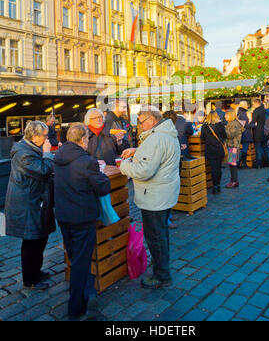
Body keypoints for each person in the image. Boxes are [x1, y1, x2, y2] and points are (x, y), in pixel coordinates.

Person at [54, 123, 111, 320]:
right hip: (82, 217)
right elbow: (103, 187)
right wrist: (102, 175)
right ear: (83, 140)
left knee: (74, 256)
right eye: (87, 138)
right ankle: (76, 307)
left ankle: (88, 291)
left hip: (63, 216)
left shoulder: (58, 157)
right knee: (80, 262)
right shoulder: (87, 161)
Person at [120, 106, 181, 289]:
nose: (139, 125)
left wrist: (124, 166)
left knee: (155, 236)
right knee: (161, 233)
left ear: (152, 120)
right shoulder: (166, 134)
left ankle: (161, 275)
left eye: (141, 121)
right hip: (164, 193)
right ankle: (161, 264)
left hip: (155, 196)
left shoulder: (157, 138)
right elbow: (156, 155)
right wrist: (137, 151)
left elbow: (144, 171)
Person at [5, 121, 55, 290]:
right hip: (28, 204)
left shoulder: (30, 149)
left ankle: (36, 271)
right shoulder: (23, 154)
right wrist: (48, 154)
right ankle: (30, 279)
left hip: (35, 202)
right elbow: (43, 170)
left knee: (40, 238)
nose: (47, 138)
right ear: (34, 137)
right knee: (31, 241)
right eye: (44, 135)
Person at [200, 111, 227, 194]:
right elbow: (225, 136)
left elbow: (202, 137)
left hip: (210, 149)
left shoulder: (205, 126)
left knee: (213, 168)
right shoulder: (220, 125)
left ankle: (215, 186)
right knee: (219, 168)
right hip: (219, 149)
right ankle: (218, 185)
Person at [224, 110, 243, 189]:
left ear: (230, 115)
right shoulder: (231, 123)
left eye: (226, 115)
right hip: (232, 146)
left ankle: (234, 181)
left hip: (234, 146)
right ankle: (233, 181)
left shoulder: (234, 124)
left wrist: (222, 129)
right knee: (231, 164)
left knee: (233, 165)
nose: (225, 116)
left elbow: (230, 135)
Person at [248, 98, 269, 168]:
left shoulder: (256, 111)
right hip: (266, 131)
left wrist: (248, 124)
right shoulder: (265, 110)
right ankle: (268, 162)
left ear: (257, 103)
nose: (253, 105)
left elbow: (253, 121)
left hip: (258, 132)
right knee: (265, 147)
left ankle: (259, 164)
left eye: (253, 104)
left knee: (258, 148)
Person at [237, 101, 253, 169]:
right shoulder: (243, 113)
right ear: (244, 105)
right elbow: (245, 125)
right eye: (246, 105)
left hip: (242, 133)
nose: (247, 106)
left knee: (243, 149)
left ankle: (240, 163)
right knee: (244, 149)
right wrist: (254, 125)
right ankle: (242, 163)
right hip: (245, 133)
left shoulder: (239, 112)